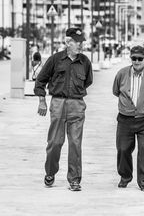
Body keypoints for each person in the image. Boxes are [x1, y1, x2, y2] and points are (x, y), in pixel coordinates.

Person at [34, 27, 93, 191]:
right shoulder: (55, 60)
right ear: (68, 42)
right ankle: (50, 172)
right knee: (55, 142)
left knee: (75, 143)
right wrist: (42, 101)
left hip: (77, 105)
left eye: (82, 42)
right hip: (58, 104)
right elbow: (40, 81)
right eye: (77, 42)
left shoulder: (85, 62)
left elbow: (88, 81)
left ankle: (74, 179)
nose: (81, 45)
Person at [112, 45, 144, 192]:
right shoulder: (121, 73)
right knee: (123, 149)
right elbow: (116, 91)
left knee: (143, 150)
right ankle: (125, 176)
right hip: (125, 118)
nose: (137, 61)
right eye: (134, 58)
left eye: (140, 58)